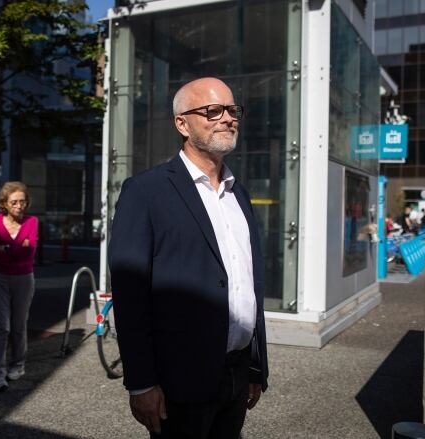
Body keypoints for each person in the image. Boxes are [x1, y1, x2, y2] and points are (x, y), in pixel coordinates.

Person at [108, 77, 268, 438]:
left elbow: (246, 283)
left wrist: (256, 367)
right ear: (182, 123)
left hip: (238, 374)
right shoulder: (145, 192)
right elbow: (130, 295)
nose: (227, 118)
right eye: (212, 110)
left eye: (232, 110)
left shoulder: (238, 194)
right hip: (179, 383)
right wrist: (141, 383)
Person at [0, 181, 39, 390]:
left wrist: (5, 248)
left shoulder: (32, 221)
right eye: (14, 202)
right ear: (4, 203)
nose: (19, 206)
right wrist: (17, 247)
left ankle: (18, 364)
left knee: (19, 325)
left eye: (23, 202)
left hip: (24, 278)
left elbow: (30, 252)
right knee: (1, 326)